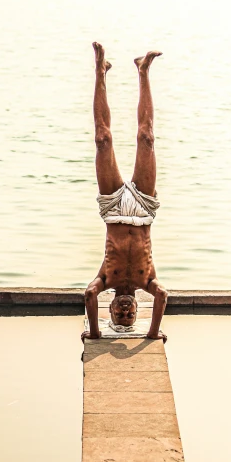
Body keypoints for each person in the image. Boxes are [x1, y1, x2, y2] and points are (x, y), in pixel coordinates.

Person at [82, 42, 168, 342]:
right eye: (130, 314)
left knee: (102, 138)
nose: (125, 312)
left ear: (110, 309)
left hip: (114, 210)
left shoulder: (105, 280)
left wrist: (94, 333)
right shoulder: (149, 282)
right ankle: (143, 71)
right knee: (147, 137)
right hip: (143, 210)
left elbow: (88, 293)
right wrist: (152, 334)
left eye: (120, 314)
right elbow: (163, 296)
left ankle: (100, 72)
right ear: (136, 309)